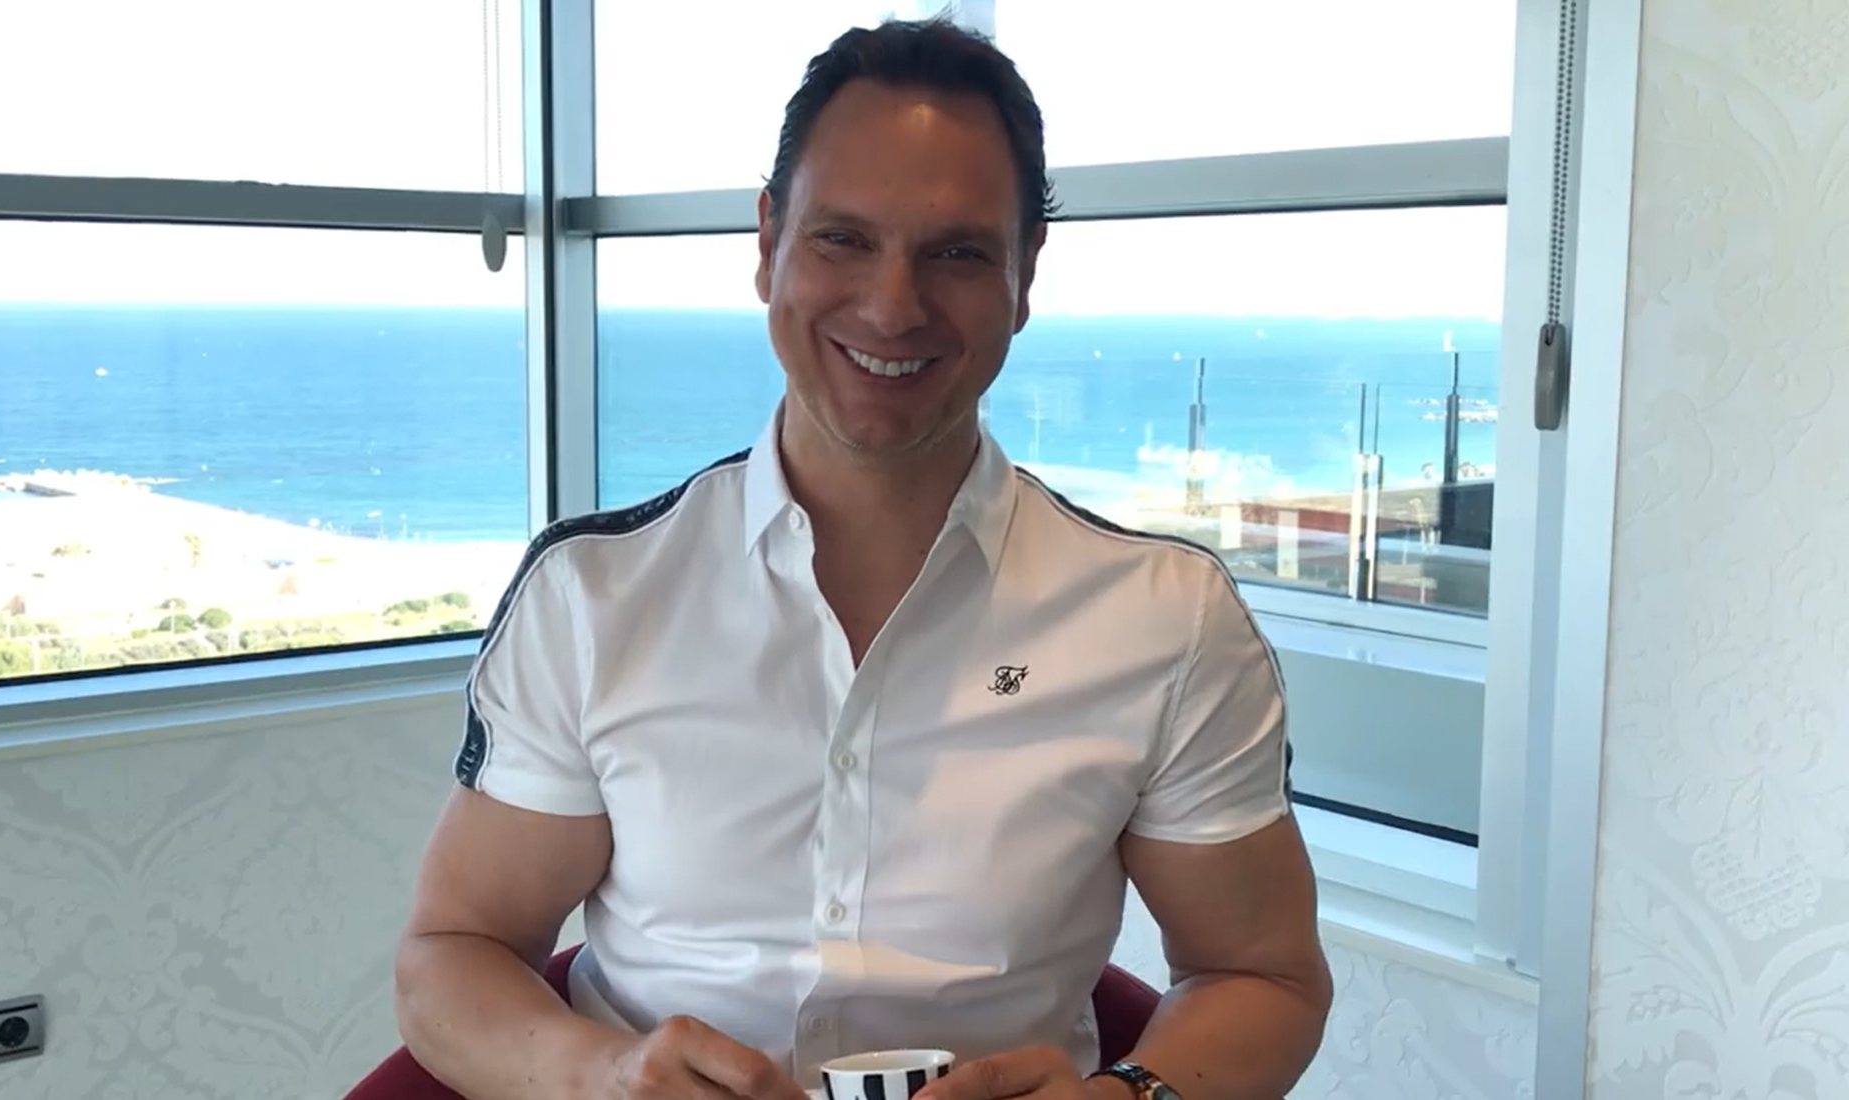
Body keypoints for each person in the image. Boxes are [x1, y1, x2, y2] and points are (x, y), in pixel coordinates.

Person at [396, 18, 1331, 1100]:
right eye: (842, 238)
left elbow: (1259, 972)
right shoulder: (594, 597)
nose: (892, 306)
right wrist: (602, 1075)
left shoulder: (1161, 618)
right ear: (768, 244)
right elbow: (453, 951)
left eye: (956, 253)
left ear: (1025, 272)